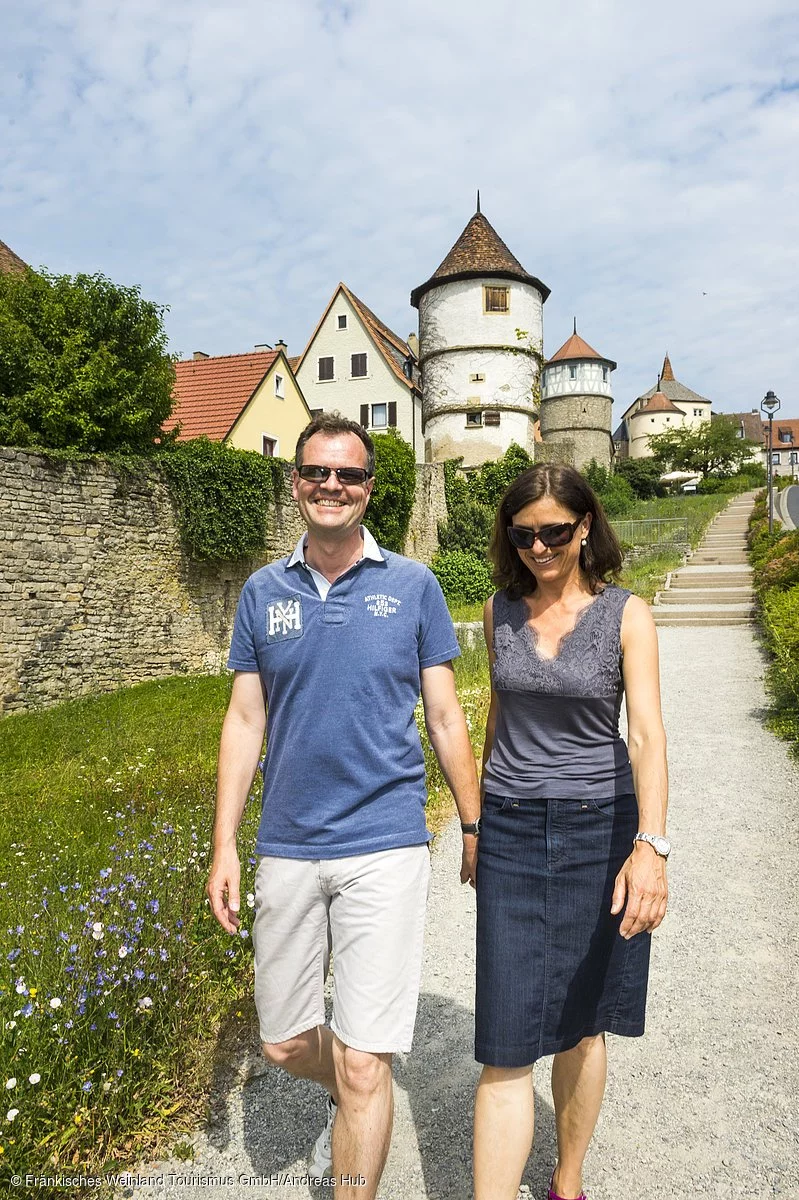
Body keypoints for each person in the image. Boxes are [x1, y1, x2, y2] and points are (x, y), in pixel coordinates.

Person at [206, 413, 481, 1200]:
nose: (332, 486)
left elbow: (444, 715)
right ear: (295, 482)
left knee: (365, 1061)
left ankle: (359, 1104)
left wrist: (471, 821)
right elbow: (244, 720)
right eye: (316, 473)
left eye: (349, 475)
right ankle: (350, 1088)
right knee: (286, 1042)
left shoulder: (412, 585)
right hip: (288, 842)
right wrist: (225, 844)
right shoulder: (262, 592)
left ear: (369, 488)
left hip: (385, 840)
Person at [472, 463, 669, 1200]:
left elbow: (646, 736)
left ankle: (566, 1179)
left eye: (554, 531)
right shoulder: (499, 612)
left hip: (601, 828)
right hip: (513, 828)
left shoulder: (627, 615)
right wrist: (474, 824)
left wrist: (650, 847)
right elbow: (498, 718)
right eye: (523, 535)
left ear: (584, 527)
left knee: (585, 1022)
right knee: (504, 1034)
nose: (539, 548)